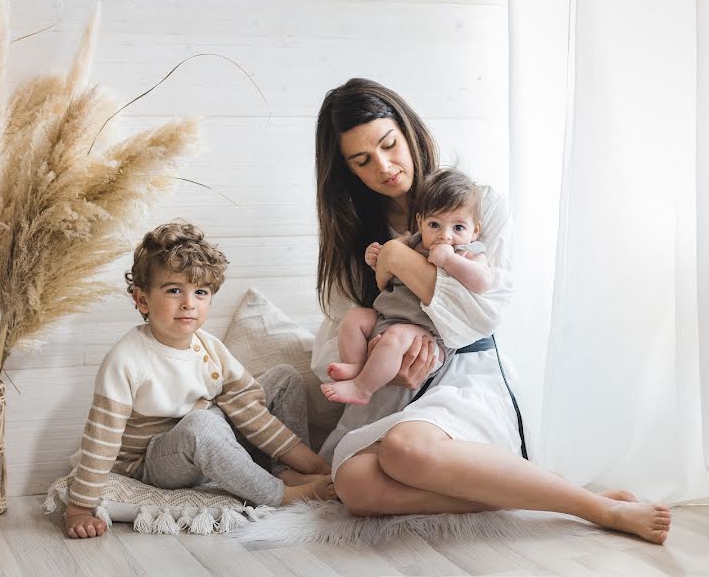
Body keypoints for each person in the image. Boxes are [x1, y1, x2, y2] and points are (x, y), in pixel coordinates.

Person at [312, 77, 672, 544]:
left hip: (467, 377)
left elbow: (481, 317)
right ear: (347, 170)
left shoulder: (478, 204)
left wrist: (403, 260)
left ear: (409, 130)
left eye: (388, 144)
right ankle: (525, 492)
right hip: (391, 389)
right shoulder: (352, 232)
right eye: (363, 160)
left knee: (405, 450)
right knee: (354, 485)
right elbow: (332, 339)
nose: (384, 166)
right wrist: (383, 357)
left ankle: (594, 506)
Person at [64, 220, 335, 539]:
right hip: (155, 460)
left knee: (284, 378)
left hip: (208, 431)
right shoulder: (127, 359)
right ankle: (279, 495)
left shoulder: (209, 349)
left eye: (200, 292)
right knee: (202, 425)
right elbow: (102, 435)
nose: (189, 303)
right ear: (142, 300)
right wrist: (79, 508)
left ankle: (287, 472)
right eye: (174, 290)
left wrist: (315, 465)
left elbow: (251, 413)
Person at [321, 168, 492, 405]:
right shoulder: (411, 243)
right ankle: (356, 367)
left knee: (396, 336)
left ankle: (362, 389)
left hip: (426, 336)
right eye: (434, 224)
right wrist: (377, 258)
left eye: (458, 228)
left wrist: (449, 260)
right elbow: (389, 268)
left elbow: (483, 282)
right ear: (420, 222)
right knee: (354, 319)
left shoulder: (469, 254)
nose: (445, 236)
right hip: (387, 316)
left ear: (475, 230)